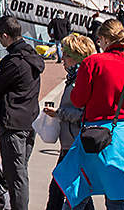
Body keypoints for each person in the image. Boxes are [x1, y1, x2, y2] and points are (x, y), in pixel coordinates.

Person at [55, 19, 124, 210]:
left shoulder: (92, 63)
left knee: (78, 190)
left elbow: (78, 100)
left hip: (95, 135)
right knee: (116, 196)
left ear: (102, 39)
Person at [0, 16, 44, 210]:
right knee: (20, 172)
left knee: (16, 176)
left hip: (13, 125)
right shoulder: (32, 55)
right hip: (29, 121)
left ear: (6, 36)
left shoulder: (15, 62)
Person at [43, 33, 97, 210]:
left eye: (66, 55)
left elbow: (84, 114)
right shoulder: (75, 78)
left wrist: (59, 113)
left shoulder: (81, 80)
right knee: (78, 193)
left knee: (60, 191)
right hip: (71, 143)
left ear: (77, 57)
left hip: (75, 144)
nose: (62, 58)